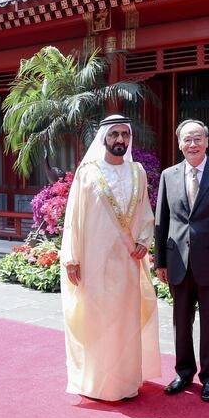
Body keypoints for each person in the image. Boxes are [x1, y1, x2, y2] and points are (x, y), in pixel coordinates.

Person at [60, 114, 161, 402]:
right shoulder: (88, 172)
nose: (120, 139)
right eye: (114, 134)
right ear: (103, 137)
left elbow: (145, 211)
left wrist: (144, 240)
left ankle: (125, 382)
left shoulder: (137, 171)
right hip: (94, 259)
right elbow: (73, 217)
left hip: (128, 260)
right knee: (97, 318)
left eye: (125, 135)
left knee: (125, 319)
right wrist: (71, 257)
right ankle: (96, 383)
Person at [154, 119, 209, 402]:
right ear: (179, 143)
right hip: (177, 260)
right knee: (180, 321)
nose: (192, 145)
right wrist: (160, 262)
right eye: (186, 140)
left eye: (197, 139)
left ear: (206, 141)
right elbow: (161, 221)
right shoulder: (168, 175)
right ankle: (183, 372)